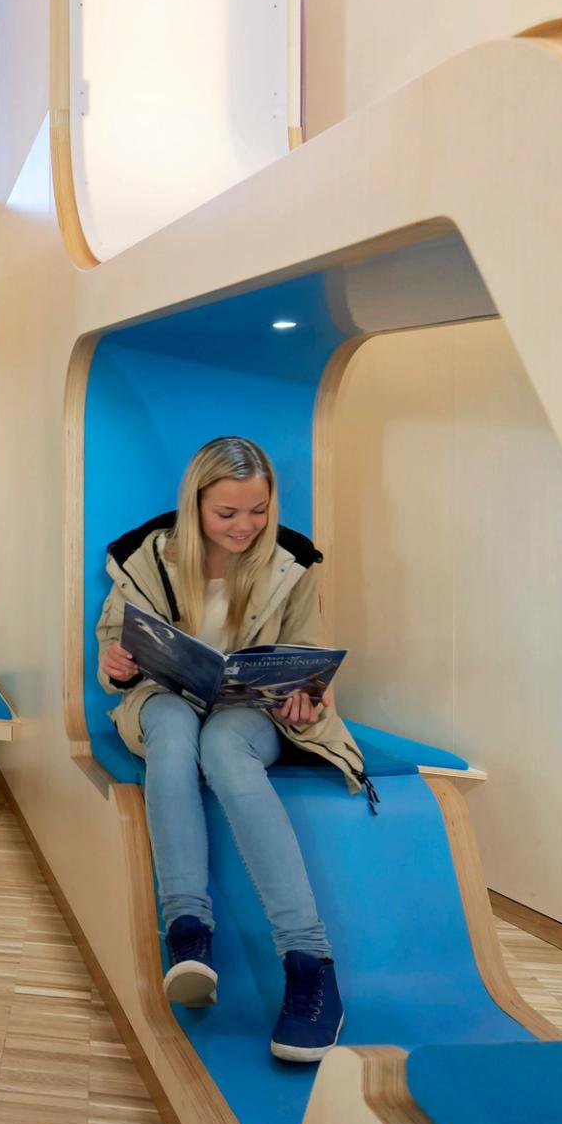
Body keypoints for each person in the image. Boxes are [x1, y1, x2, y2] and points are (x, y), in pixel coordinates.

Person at [95, 435, 369, 1063]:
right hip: (167, 700)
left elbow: (304, 656)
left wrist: (304, 694)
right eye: (228, 513)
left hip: (250, 713)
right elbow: (114, 645)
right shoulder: (147, 557)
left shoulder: (294, 564)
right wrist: (116, 666)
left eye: (259, 511)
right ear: (194, 506)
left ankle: (310, 964)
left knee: (221, 744)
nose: (246, 526)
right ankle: (187, 935)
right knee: (172, 732)